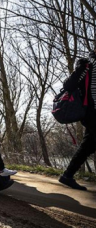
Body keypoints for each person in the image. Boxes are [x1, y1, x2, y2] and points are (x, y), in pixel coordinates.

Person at [59, 48, 96, 191]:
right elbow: (68, 85)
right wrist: (80, 68)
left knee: (89, 145)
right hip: (91, 111)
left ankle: (67, 175)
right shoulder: (87, 64)